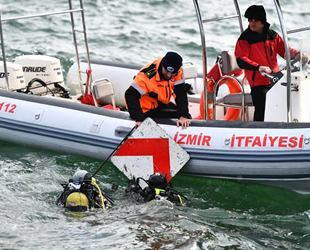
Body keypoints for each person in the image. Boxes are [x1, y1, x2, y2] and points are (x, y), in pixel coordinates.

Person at [235, 5, 308, 121]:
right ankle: (258, 134)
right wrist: (258, 67)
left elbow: (284, 50)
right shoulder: (245, 39)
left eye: (256, 21)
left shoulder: (272, 35)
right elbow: (241, 59)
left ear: (263, 22)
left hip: (276, 78)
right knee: (262, 109)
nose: (252, 23)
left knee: (280, 106)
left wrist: (298, 54)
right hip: (258, 82)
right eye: (250, 20)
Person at [125, 51, 191, 129]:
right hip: (145, 109)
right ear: (162, 65)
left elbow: (181, 93)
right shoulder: (147, 76)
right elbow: (129, 95)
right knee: (178, 115)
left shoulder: (177, 72)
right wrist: (139, 119)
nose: (169, 75)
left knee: (184, 114)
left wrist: (183, 116)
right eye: (166, 71)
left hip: (160, 103)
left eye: (172, 73)